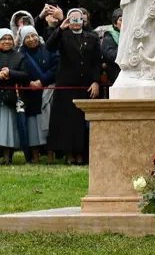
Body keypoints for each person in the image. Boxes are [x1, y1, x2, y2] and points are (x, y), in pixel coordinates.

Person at [46, 9, 101, 165]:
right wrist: (60, 28)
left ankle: (82, 154)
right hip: (66, 85)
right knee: (67, 121)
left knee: (82, 122)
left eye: (79, 19)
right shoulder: (63, 35)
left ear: (84, 21)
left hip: (85, 86)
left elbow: (96, 61)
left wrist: (96, 81)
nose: (76, 22)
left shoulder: (92, 37)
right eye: (73, 19)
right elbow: (49, 46)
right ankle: (69, 154)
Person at [19, 26, 59, 164]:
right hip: (30, 94)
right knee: (33, 126)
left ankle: (50, 155)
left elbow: (56, 66)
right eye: (27, 37)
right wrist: (29, 82)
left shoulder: (48, 49)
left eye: (33, 36)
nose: (31, 39)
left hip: (48, 92)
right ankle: (35, 156)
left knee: (49, 124)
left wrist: (42, 81)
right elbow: (19, 70)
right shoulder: (21, 54)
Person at [0, 28, 28, 164]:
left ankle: (7, 157)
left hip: (11, 98)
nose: (7, 41)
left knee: (8, 129)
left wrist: (10, 73)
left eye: (9, 39)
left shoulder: (19, 56)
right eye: (3, 39)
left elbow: (25, 75)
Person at [101, 8, 122, 86]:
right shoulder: (109, 36)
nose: (124, 22)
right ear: (115, 23)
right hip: (115, 74)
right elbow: (111, 55)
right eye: (121, 20)